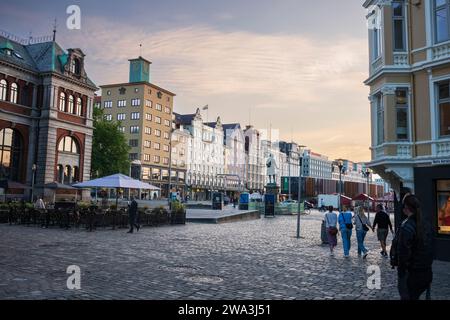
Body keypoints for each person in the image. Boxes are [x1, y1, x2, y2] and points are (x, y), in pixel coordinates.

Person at [391, 194, 433, 300]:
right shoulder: (426, 224)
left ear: (406, 207)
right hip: (426, 272)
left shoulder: (407, 226)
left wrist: (401, 272)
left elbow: (403, 253)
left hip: (411, 274)